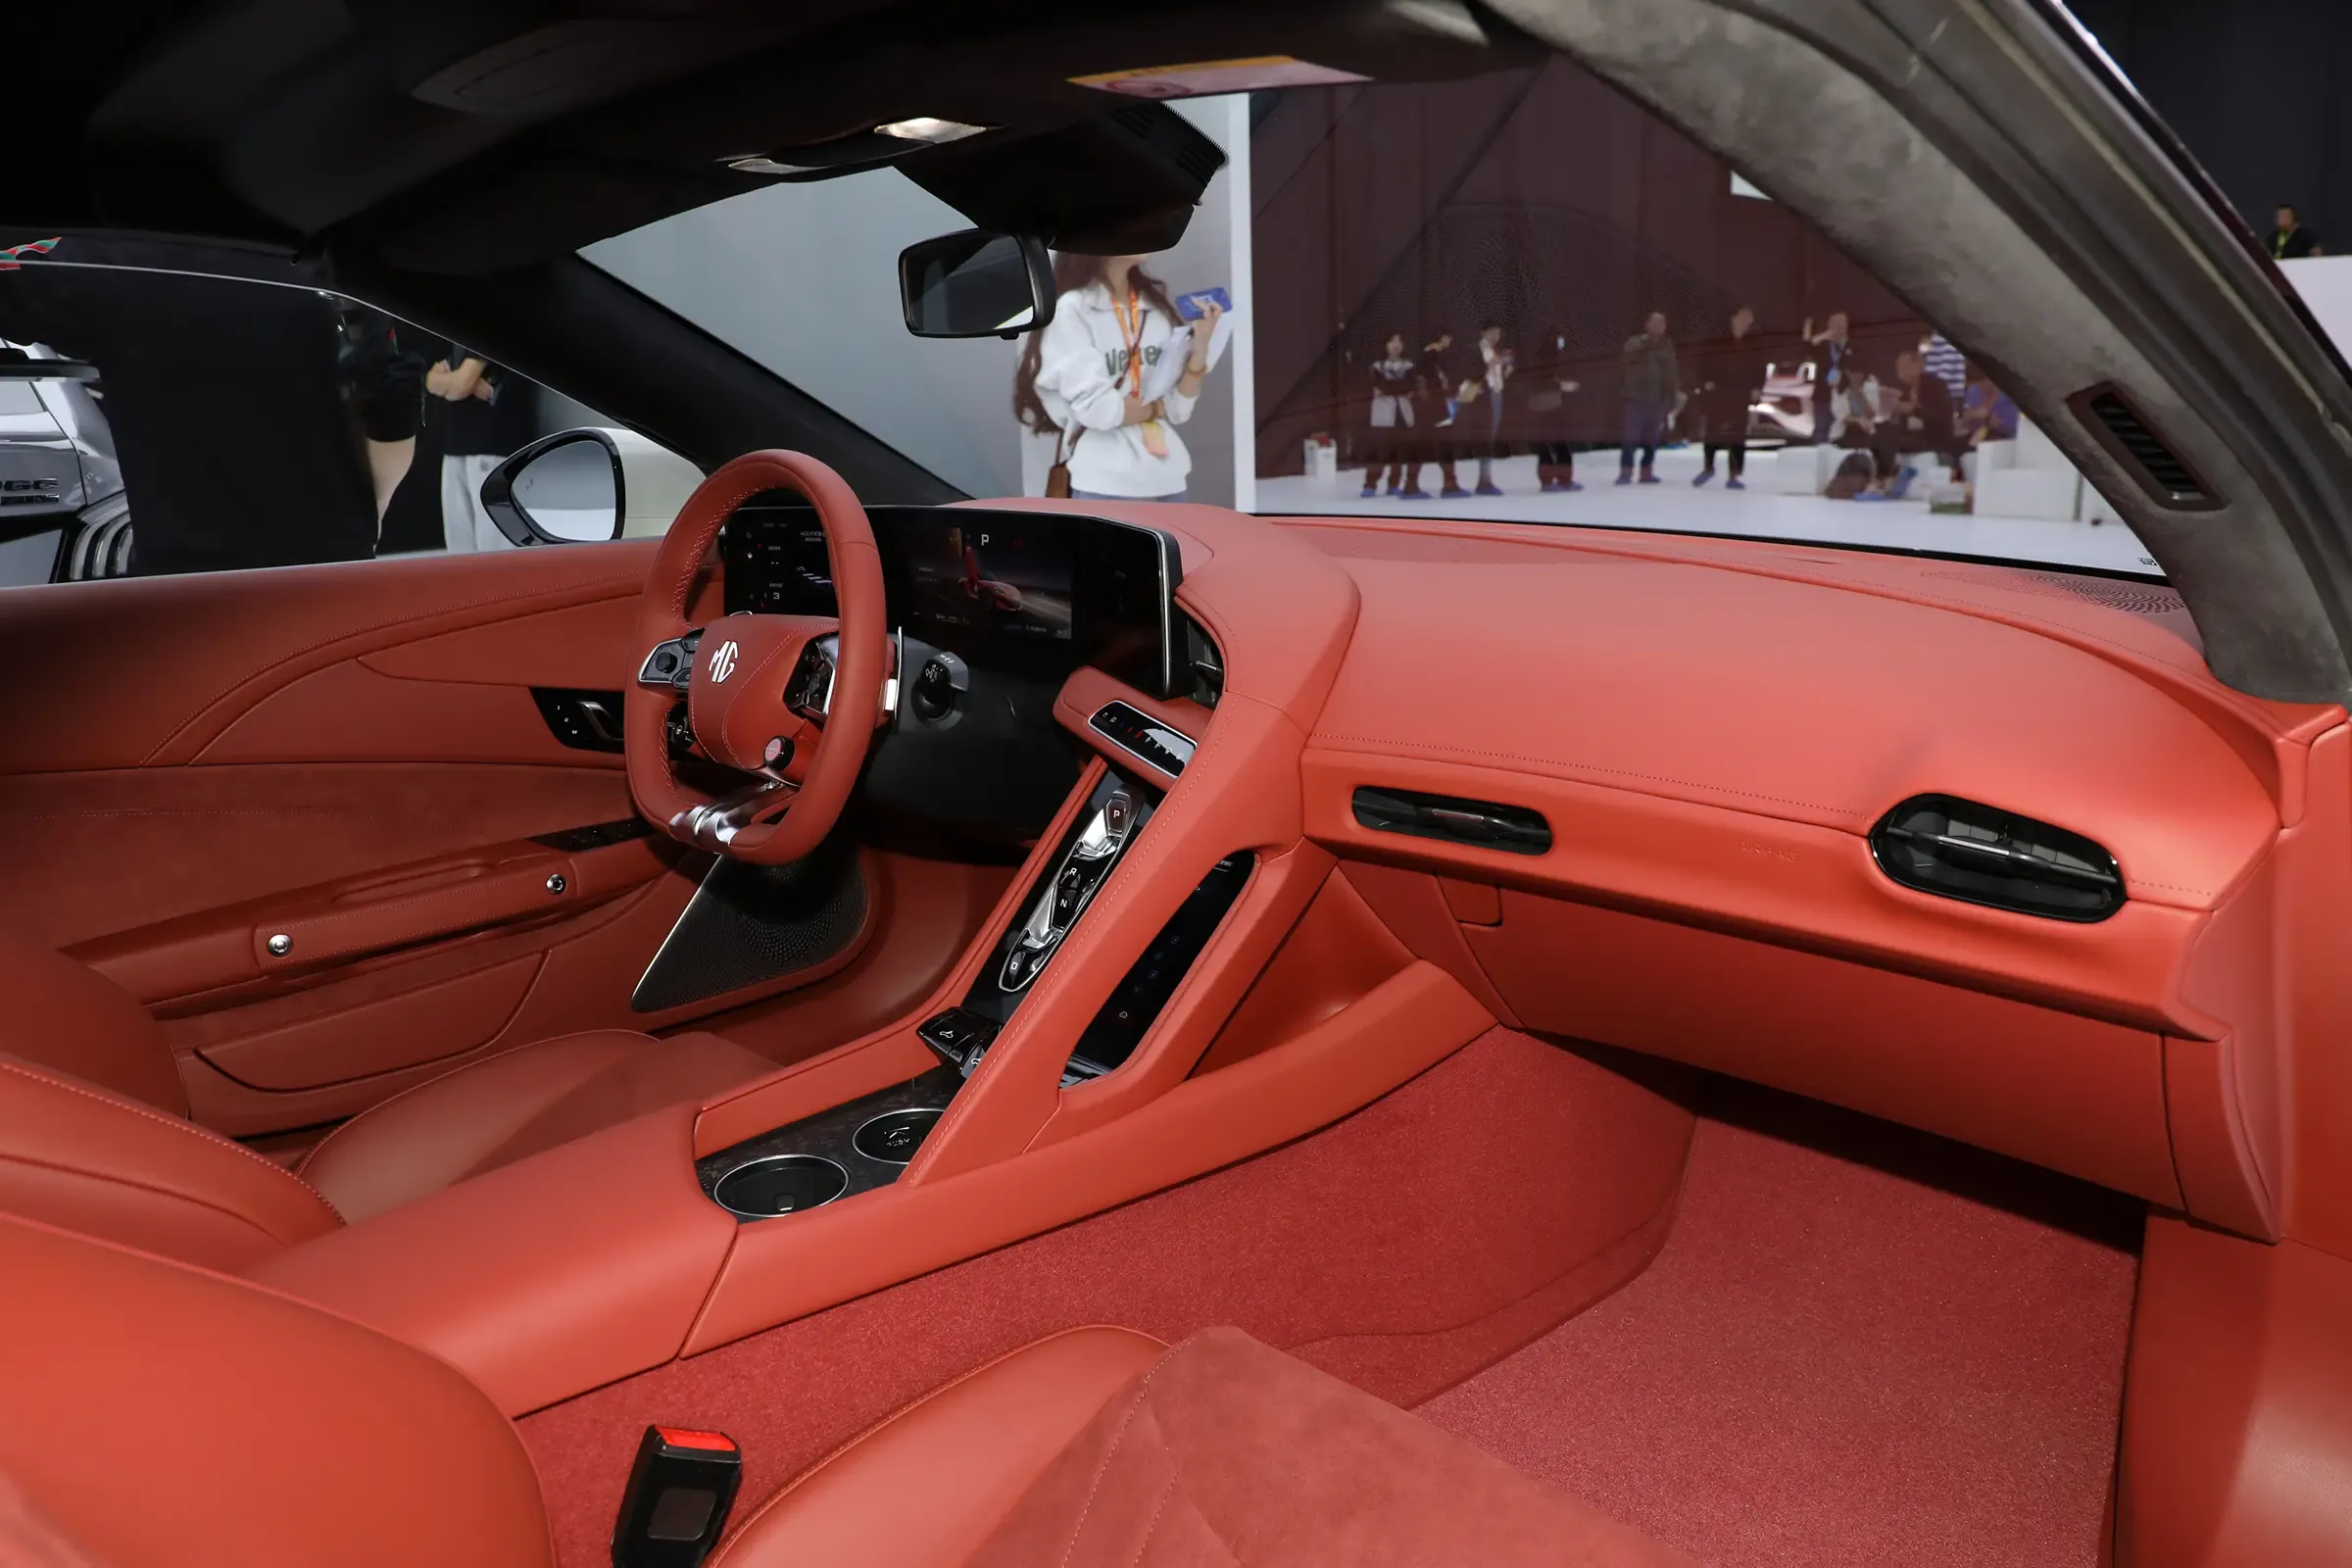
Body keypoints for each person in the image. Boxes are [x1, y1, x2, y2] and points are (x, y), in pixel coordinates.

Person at [0, 250, 378, 574]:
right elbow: (389, 380)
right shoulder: (318, 248)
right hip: (333, 562)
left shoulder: (112, 260)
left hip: (193, 570)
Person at [1012, 252, 1221, 502]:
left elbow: (1178, 408)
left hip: (1169, 478)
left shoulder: (1152, 308)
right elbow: (1099, 410)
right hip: (1104, 481)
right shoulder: (1074, 309)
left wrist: (1200, 348)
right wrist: (1155, 408)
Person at [430, 346, 537, 552]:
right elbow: (430, 380)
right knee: (459, 551)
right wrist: (456, 382)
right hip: (455, 447)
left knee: (495, 548)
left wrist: (451, 382)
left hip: (494, 445)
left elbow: (462, 383)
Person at [1860, 347, 1957, 497]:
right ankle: (1878, 479)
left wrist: (1913, 410)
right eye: (1898, 369)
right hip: (1910, 438)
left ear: (1917, 366)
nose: (1900, 373)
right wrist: (1891, 409)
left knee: (1891, 439)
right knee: (1880, 435)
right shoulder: (1905, 390)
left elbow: (1942, 417)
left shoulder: (1936, 386)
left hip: (1933, 438)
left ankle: (1882, 479)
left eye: (1904, 367)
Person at [1692, 305, 1764, 489]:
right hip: (1718, 392)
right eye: (1744, 316)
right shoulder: (1717, 340)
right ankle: (1708, 467)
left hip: (1740, 393)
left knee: (1738, 434)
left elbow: (1760, 368)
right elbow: (1702, 363)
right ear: (1734, 318)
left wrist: (1757, 388)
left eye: (1750, 317)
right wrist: (1705, 381)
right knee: (1713, 431)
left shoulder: (1753, 342)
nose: (1747, 320)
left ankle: (1734, 474)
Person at [1617, 311, 1678, 484]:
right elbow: (1627, 358)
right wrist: (1646, 345)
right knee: (1630, 437)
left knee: (1652, 439)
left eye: (1662, 323)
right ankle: (1626, 473)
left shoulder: (1667, 345)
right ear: (1647, 324)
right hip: (1636, 398)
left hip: (1657, 399)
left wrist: (1671, 397)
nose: (1659, 326)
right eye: (1655, 322)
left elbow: (1672, 372)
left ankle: (1646, 472)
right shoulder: (1636, 342)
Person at [1404, 330, 1465, 499]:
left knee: (1434, 446)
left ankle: (1416, 484)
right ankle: (1444, 484)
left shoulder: (1436, 358)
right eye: (1448, 337)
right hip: (1431, 411)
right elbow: (1417, 376)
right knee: (1434, 446)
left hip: (1437, 409)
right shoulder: (1431, 353)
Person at [1527, 325, 1586, 493]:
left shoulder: (1561, 355)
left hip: (1559, 404)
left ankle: (1564, 478)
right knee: (1546, 443)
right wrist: (1560, 385)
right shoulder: (1541, 357)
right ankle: (1547, 480)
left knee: (1562, 443)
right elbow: (1538, 379)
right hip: (1544, 404)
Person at [1362, 332, 1418, 497]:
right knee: (1378, 451)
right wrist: (1397, 387)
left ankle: (1394, 483)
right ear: (1385, 345)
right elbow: (1382, 386)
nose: (1396, 345)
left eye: (1399, 341)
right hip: (1383, 416)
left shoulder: (1409, 366)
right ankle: (1370, 484)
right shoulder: (1376, 367)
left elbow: (1408, 386)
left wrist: (1395, 387)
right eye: (1392, 341)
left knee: (1400, 451)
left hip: (1403, 415)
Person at [1802, 311, 1855, 445]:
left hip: (1844, 394)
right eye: (1834, 324)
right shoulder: (1823, 346)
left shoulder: (1852, 346)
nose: (1838, 327)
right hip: (1824, 394)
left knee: (1844, 430)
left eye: (1841, 324)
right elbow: (1805, 349)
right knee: (1821, 431)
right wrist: (1823, 336)